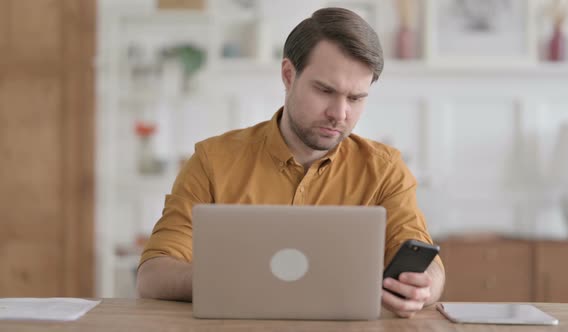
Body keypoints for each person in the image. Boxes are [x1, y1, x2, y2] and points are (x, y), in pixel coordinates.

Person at [137, 7, 445, 318]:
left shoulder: (385, 169)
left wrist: (424, 287)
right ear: (288, 75)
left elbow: (429, 265)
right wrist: (225, 281)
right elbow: (152, 276)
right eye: (325, 90)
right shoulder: (213, 161)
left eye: (355, 98)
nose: (340, 114)